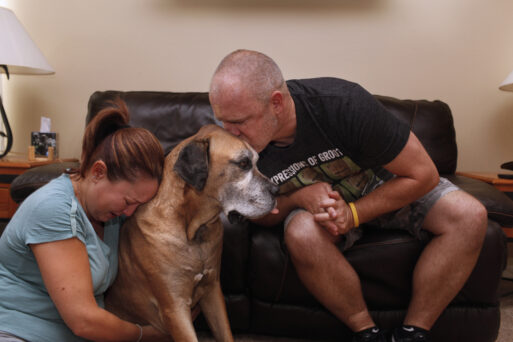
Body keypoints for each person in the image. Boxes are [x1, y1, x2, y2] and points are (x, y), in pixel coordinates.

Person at [208, 49, 488, 342]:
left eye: (239, 121)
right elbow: (259, 215)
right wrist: (298, 197)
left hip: (390, 189)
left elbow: (423, 174)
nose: (230, 133)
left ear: (276, 103)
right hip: (322, 213)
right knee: (301, 232)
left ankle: (412, 333)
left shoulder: (341, 104)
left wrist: (353, 215)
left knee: (469, 215)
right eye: (223, 121)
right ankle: (366, 333)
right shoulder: (238, 148)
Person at [0, 100, 169, 342]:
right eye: (127, 201)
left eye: (138, 205)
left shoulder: (110, 216)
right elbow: (84, 321)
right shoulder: (52, 209)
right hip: (18, 332)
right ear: (98, 172)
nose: (131, 213)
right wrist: (147, 335)